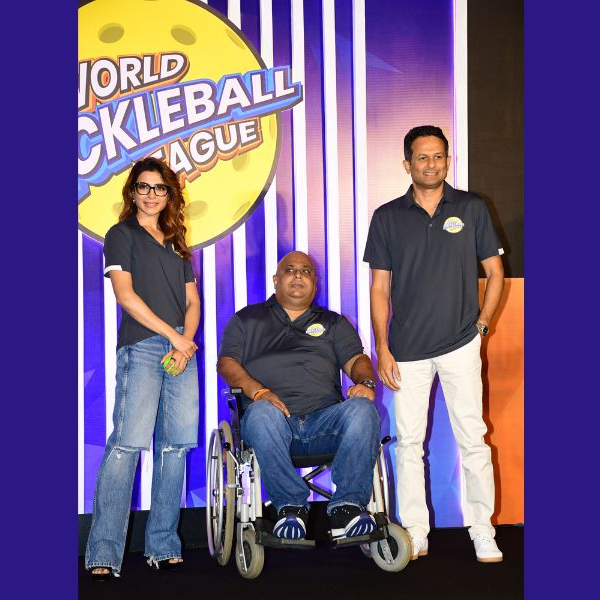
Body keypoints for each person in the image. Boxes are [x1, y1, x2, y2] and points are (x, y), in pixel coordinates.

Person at [363, 125, 506, 563]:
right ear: (407, 164)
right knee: (408, 443)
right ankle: (416, 532)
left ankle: (482, 530)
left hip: (461, 343)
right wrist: (382, 348)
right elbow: (379, 288)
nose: (432, 164)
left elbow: (495, 272)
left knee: (474, 439)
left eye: (439, 156)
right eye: (423, 157)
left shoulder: (472, 207)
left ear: (448, 160)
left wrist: (482, 326)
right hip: (405, 350)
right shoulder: (387, 216)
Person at [85, 157, 201, 579]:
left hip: (181, 349)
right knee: (127, 445)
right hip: (143, 346)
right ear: (132, 192)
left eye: (160, 188)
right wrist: (174, 338)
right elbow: (126, 297)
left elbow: (193, 301)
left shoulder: (176, 241)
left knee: (175, 448)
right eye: (144, 187)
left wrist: (185, 344)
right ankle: (103, 552)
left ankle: (163, 545)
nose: (152, 195)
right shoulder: (121, 235)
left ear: (170, 194)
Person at [217, 251, 381, 540]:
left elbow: (357, 359)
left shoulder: (333, 323)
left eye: (306, 271)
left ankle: (347, 508)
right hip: (271, 424)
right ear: (275, 279)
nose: (298, 275)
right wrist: (259, 392)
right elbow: (227, 363)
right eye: (290, 270)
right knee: (262, 412)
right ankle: (290, 507)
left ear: (315, 283)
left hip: (324, 422)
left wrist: (365, 382)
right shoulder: (247, 319)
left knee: (363, 409)